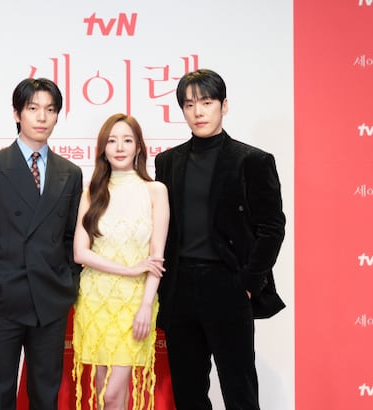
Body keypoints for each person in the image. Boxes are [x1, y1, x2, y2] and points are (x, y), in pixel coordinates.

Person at [154, 69, 286, 410]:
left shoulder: (252, 160)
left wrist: (248, 283)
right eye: (189, 105)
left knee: (239, 388)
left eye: (207, 102)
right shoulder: (167, 161)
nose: (198, 112)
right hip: (181, 288)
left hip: (228, 284)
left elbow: (272, 227)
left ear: (224, 106)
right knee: (188, 391)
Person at [0, 77, 83, 410]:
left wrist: (68, 284)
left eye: (50, 110)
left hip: (50, 302)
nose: (42, 117)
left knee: (46, 396)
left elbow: (71, 236)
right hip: (2, 299)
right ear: (17, 114)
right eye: (33, 108)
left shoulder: (69, 172)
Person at [71, 113, 170, 410]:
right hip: (95, 299)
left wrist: (146, 306)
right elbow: (80, 253)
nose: (119, 147)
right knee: (103, 392)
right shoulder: (91, 193)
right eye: (112, 141)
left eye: (127, 140)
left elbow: (156, 257)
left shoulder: (156, 191)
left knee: (114, 393)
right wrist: (128, 269)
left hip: (135, 302)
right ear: (103, 148)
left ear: (139, 147)